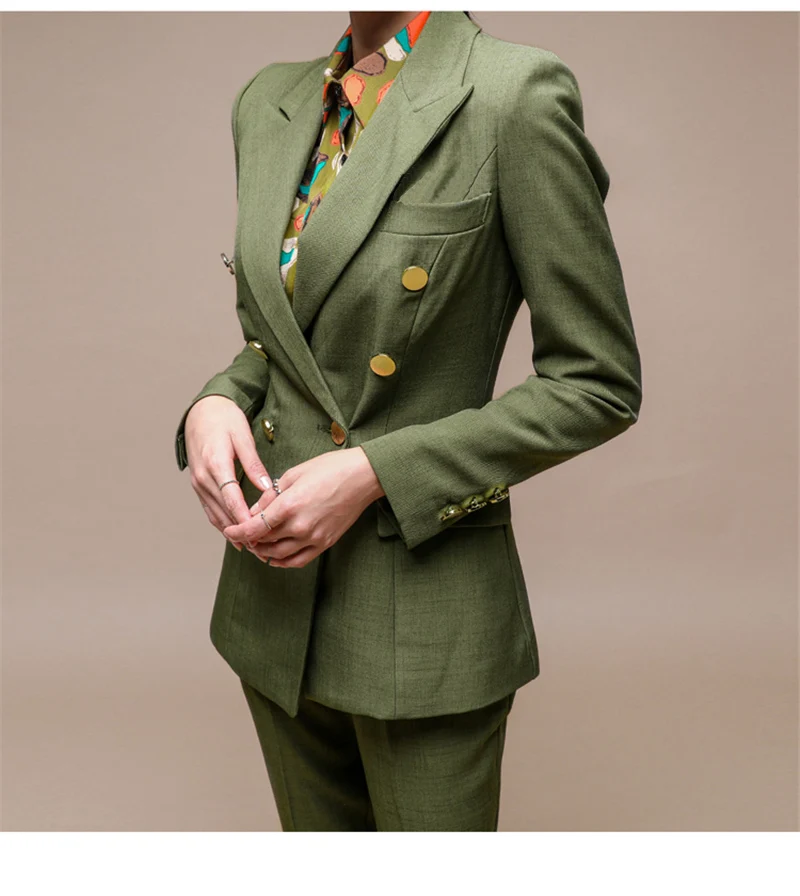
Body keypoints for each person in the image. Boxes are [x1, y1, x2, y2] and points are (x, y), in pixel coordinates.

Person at [174, 9, 642, 831]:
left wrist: (374, 473)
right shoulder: (268, 101)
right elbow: (285, 338)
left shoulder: (513, 96)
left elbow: (597, 383)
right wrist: (216, 400)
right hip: (272, 605)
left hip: (423, 620)